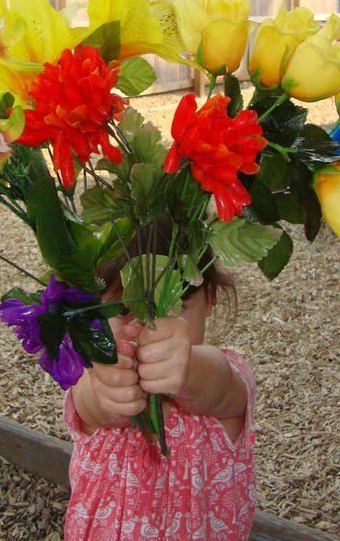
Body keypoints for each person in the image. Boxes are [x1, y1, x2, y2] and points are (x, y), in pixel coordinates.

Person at [63, 227, 257, 540]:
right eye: (124, 309)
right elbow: (89, 405)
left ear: (209, 299)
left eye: (175, 304)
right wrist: (109, 386)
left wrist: (187, 368)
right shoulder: (96, 376)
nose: (148, 324)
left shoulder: (224, 376)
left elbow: (219, 386)